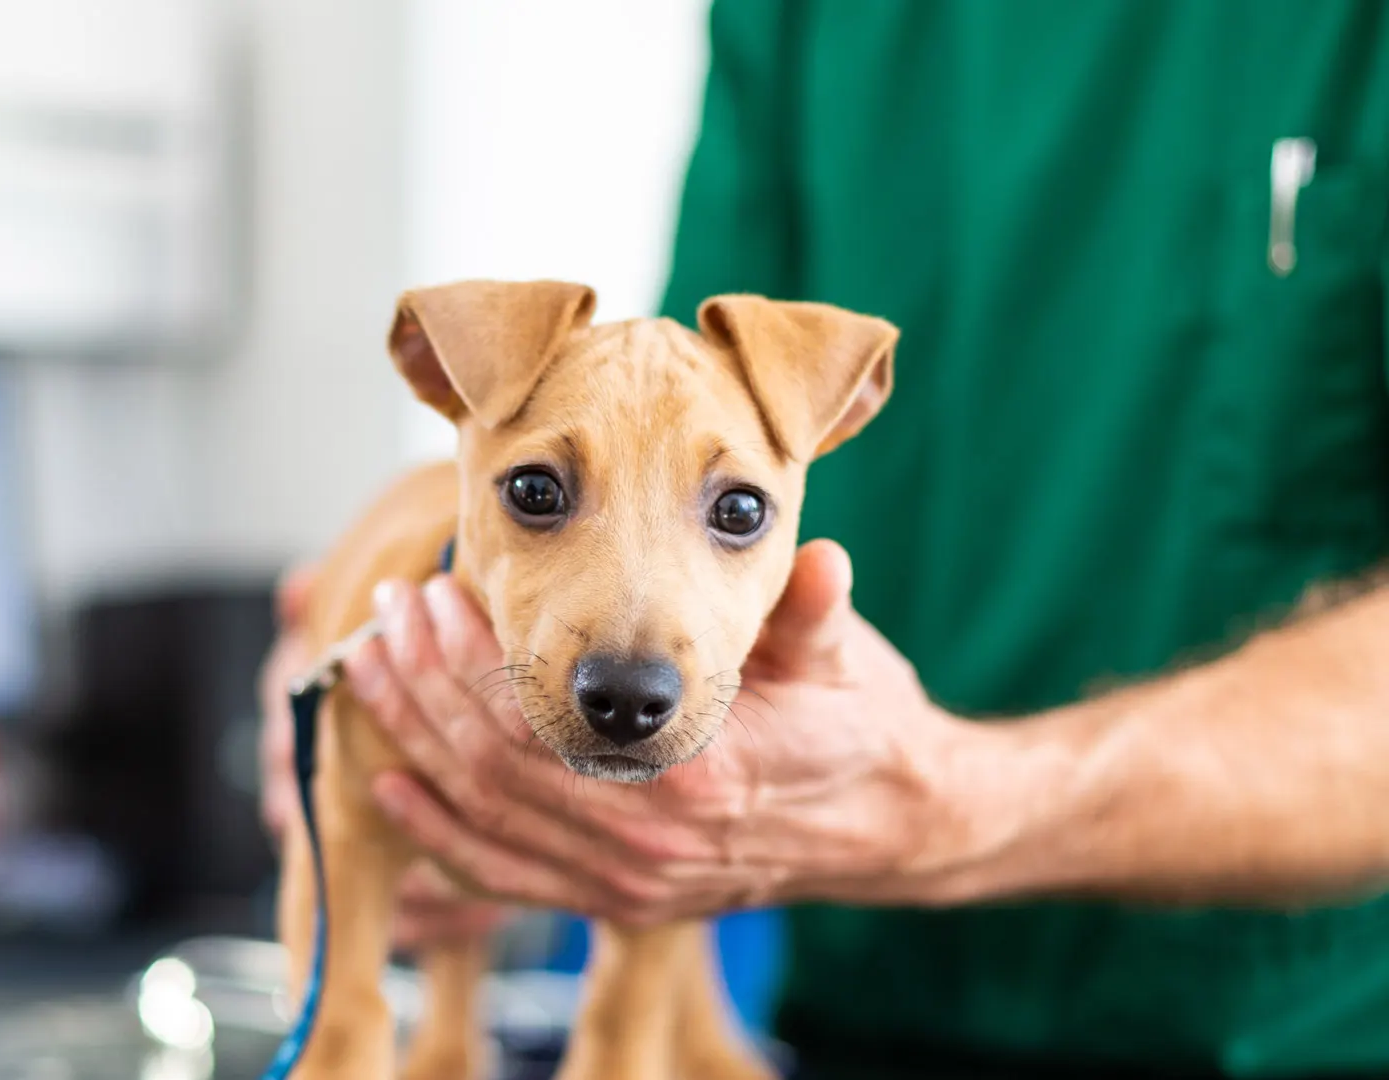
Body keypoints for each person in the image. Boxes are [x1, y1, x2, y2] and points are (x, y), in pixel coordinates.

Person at [261, 3, 1389, 1077]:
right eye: (539, 498)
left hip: (1292, 1034)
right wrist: (332, 709)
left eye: (739, 515)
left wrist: (954, 799)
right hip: (855, 1012)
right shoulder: (799, 11)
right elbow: (668, 404)